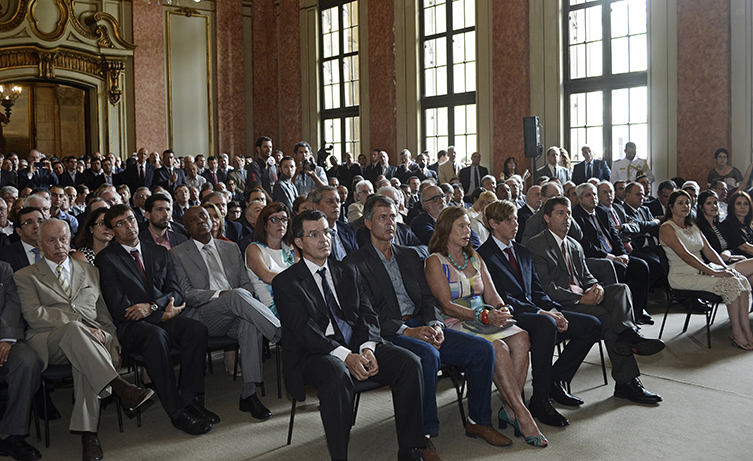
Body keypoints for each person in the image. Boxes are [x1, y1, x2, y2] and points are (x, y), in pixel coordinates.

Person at [346, 195, 509, 451]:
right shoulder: (354, 263)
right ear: (368, 223)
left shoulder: (410, 255)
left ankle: (478, 420)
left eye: (392, 217)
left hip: (423, 325)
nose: (390, 223)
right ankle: (423, 436)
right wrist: (407, 330)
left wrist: (436, 324)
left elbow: (427, 298)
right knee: (428, 356)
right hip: (388, 333)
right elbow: (364, 315)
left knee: (483, 349)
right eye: (382, 218)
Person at [272, 210, 430, 461]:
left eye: (327, 232)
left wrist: (367, 348)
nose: (324, 239)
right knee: (336, 373)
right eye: (314, 234)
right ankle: (339, 457)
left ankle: (410, 448)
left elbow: (368, 315)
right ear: (299, 243)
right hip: (312, 353)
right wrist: (347, 356)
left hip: (355, 344)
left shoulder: (347, 270)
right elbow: (304, 331)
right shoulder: (286, 282)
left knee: (409, 362)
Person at [17, 220, 154, 461]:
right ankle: (121, 387)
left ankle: (89, 436)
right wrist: (81, 327)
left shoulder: (91, 271)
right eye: (50, 240)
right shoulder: (26, 276)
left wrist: (112, 341)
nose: (58, 245)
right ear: (39, 244)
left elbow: (103, 315)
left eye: (62, 239)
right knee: (75, 333)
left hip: (91, 341)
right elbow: (34, 316)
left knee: (83, 354)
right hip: (49, 342)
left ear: (70, 240)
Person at [423, 206, 547, 447]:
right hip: (458, 322)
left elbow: (492, 295)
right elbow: (446, 306)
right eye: (461, 226)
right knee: (498, 348)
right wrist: (483, 316)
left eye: (469, 225)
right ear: (446, 229)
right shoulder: (435, 261)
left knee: (521, 337)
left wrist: (502, 309)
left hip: (485, 318)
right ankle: (522, 415)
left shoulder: (475, 257)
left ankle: (510, 410)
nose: (467, 231)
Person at [527, 197, 665, 404]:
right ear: (547, 217)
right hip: (562, 304)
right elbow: (547, 288)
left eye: (569, 213)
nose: (567, 218)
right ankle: (626, 380)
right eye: (560, 213)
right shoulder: (536, 244)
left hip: (585, 296)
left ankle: (628, 335)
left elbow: (586, 275)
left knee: (621, 289)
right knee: (609, 322)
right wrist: (581, 298)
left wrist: (596, 286)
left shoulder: (574, 244)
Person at [95, 205, 215, 437]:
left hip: (161, 316)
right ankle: (176, 410)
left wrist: (153, 308)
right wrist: (160, 313)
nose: (129, 225)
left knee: (196, 330)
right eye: (120, 223)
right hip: (131, 328)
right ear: (111, 231)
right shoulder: (107, 259)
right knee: (155, 336)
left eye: (130, 219)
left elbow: (176, 292)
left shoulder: (158, 252)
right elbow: (120, 308)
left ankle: (190, 399)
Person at [479, 201, 601, 427]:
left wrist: (555, 310)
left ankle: (555, 381)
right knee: (546, 324)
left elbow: (536, 289)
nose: (515, 224)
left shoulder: (523, 251)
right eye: (508, 220)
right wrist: (544, 312)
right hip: (509, 314)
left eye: (516, 219)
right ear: (493, 224)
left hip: (537, 311)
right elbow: (501, 297)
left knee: (591, 325)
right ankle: (540, 399)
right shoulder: (484, 255)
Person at [170, 206, 282, 420]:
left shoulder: (230, 248)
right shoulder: (177, 253)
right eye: (193, 219)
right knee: (236, 295)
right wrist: (221, 294)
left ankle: (249, 395)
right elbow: (187, 293)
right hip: (203, 315)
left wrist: (235, 296)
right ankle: (279, 332)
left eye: (204, 216)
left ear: (213, 221)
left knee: (249, 322)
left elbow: (246, 285)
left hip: (236, 311)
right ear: (186, 228)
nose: (201, 220)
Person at [660, 190, 753, 349]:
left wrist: (725, 268)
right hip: (682, 276)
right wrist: (715, 272)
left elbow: (709, 252)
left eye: (687, 203)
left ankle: (746, 329)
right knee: (731, 285)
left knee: (741, 280)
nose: (685, 206)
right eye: (680, 203)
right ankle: (736, 332)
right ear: (671, 206)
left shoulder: (692, 225)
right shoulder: (667, 228)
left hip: (703, 270)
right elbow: (686, 256)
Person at [572, 183, 653, 325]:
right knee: (620, 269)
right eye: (588, 195)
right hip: (598, 258)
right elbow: (586, 245)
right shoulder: (576, 216)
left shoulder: (602, 211)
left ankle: (639, 311)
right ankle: (622, 315)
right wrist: (612, 257)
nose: (593, 198)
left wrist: (623, 255)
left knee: (641, 266)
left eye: (594, 194)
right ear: (579, 199)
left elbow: (615, 236)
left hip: (615, 254)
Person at [0, 260, 43, 461]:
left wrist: (7, 338)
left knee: (26, 359)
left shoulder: (4, 268)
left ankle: (14, 436)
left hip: (3, 340)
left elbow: (12, 304)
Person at [245, 203, 298, 317]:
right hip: (270, 308)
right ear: (264, 224)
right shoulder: (254, 249)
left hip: (295, 299)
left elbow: (303, 273)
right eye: (275, 219)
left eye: (284, 219)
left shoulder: (291, 248)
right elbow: (267, 276)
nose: (281, 224)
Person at [720, 190, 753, 257]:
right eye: (738, 203)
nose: (743, 207)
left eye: (746, 204)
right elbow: (745, 247)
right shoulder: (727, 224)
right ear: (732, 206)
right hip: (739, 261)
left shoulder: (747, 225)